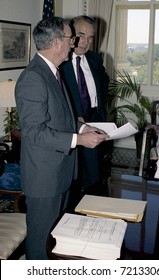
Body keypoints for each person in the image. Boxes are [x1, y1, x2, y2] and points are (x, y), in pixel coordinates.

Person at [15, 17, 107, 260]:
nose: (74, 43)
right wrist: (78, 140)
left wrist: (82, 127)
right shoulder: (34, 78)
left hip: (61, 173)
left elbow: (61, 115)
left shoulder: (53, 71)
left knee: (55, 239)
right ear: (57, 42)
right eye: (71, 38)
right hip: (44, 178)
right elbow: (34, 132)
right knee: (40, 244)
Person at [60, 15, 110, 204]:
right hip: (72, 125)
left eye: (90, 37)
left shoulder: (95, 58)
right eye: (81, 35)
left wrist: (99, 105)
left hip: (95, 119)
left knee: (94, 174)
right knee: (74, 177)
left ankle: (93, 212)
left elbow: (104, 81)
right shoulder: (60, 61)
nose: (85, 42)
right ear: (71, 35)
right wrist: (73, 115)